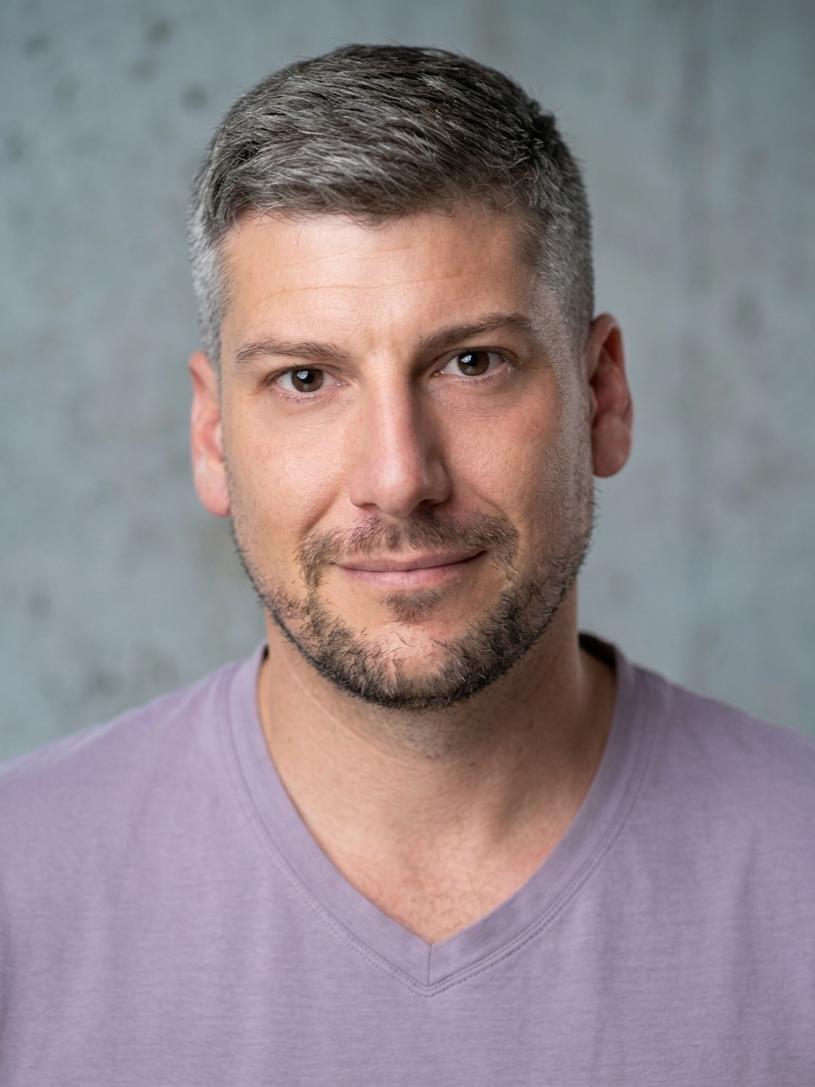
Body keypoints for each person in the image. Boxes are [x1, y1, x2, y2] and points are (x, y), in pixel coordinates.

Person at [0, 44, 813, 1086]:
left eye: (471, 363)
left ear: (601, 397)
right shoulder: (20, 888)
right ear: (211, 435)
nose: (397, 476)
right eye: (305, 377)